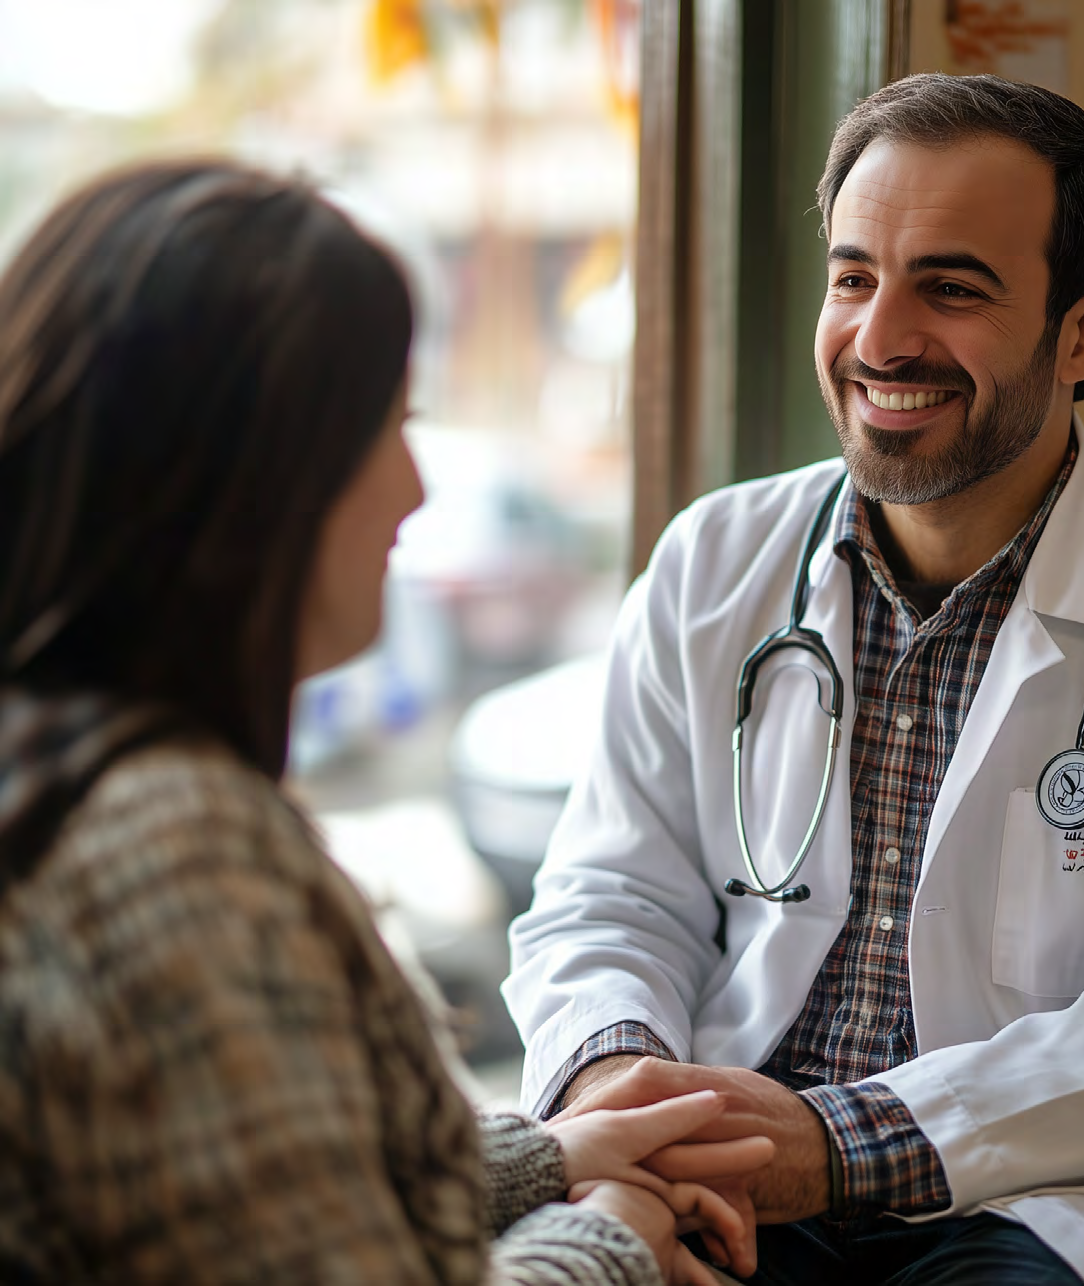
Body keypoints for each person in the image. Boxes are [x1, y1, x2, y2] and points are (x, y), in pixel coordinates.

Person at [504, 73, 1084, 1285]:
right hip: (726, 1174)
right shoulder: (712, 559)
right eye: (854, 276)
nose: (877, 340)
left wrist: (834, 1141)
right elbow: (607, 897)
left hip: (1050, 1195)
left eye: (950, 286)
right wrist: (626, 1094)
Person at [0, 158, 776, 1284]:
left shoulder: (58, 759)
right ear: (254, 479)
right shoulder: (176, 852)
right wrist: (613, 1233)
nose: (415, 488)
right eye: (390, 423)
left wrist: (542, 1159)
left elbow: (233, 1175)